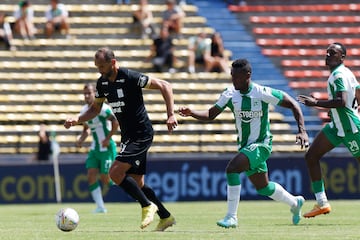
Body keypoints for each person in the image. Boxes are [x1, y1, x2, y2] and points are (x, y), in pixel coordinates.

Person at [179, 58, 309, 228]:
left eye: (237, 77)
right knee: (264, 188)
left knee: (232, 169)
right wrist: (192, 113)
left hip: (262, 144)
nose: (233, 80)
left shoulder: (261, 92)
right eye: (232, 76)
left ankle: (231, 217)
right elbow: (211, 114)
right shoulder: (229, 94)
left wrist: (302, 130)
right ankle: (294, 202)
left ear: (248, 75)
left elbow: (293, 104)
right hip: (246, 147)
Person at [64, 47, 178, 231]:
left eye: (102, 66)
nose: (100, 70)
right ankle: (165, 217)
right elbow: (95, 110)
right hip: (128, 136)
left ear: (113, 62)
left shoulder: (130, 77)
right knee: (137, 183)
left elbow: (165, 85)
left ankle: (147, 205)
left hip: (141, 133)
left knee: (115, 173)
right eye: (97, 66)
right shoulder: (102, 84)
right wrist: (77, 119)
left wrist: (171, 114)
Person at [297, 42, 360, 218]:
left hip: (350, 127)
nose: (327, 55)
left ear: (342, 57)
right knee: (311, 156)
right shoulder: (346, 72)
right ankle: (322, 203)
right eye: (327, 53)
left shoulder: (338, 75)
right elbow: (358, 93)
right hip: (337, 126)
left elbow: (340, 101)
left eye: (332, 53)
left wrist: (316, 103)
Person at [76, 83, 119, 213]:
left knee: (106, 180)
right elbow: (86, 129)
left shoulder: (103, 109)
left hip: (107, 147)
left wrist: (108, 138)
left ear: (95, 93)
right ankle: (100, 207)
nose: (87, 96)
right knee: (90, 175)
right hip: (95, 148)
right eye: (85, 93)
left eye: (89, 93)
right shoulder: (84, 111)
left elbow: (115, 121)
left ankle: (126, 184)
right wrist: (81, 139)